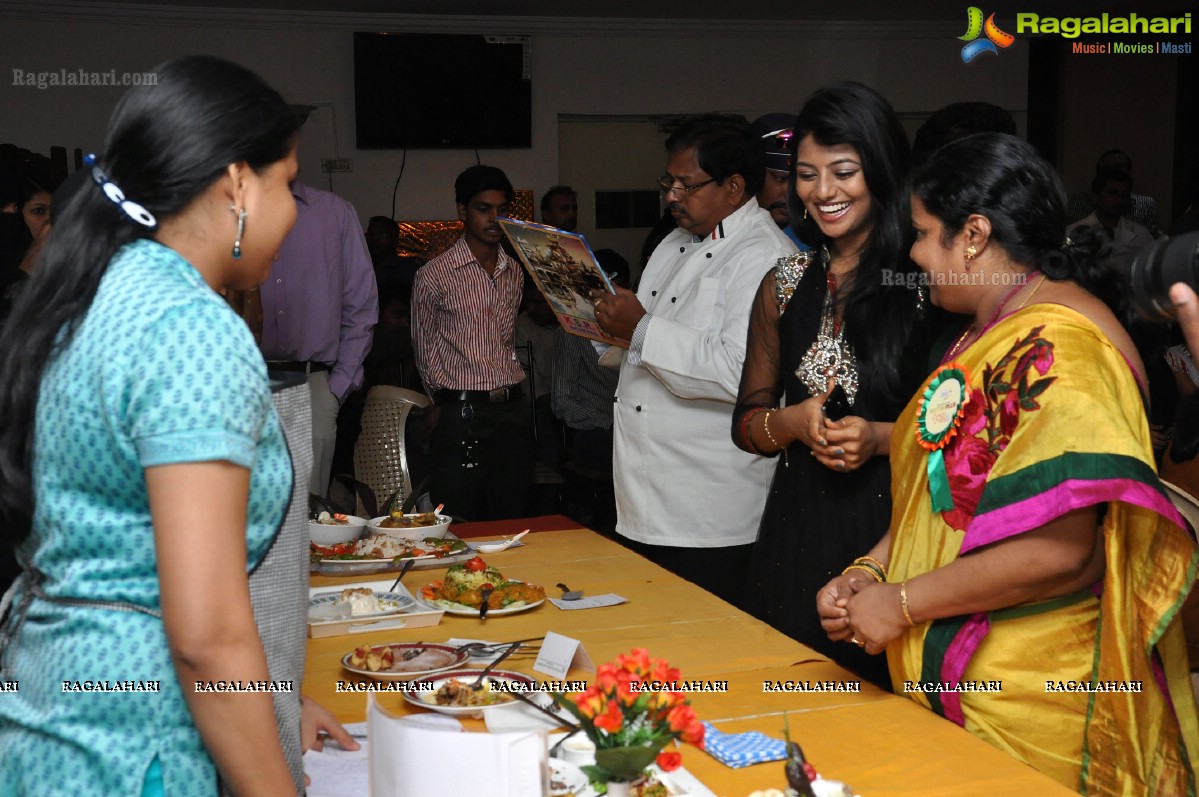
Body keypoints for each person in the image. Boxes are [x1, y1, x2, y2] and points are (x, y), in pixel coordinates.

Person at [0, 55, 354, 796]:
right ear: (236, 183)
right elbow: (206, 640)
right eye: (288, 184)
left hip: (52, 709)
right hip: (136, 744)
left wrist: (277, 704)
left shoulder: (90, 289)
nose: (296, 211)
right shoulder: (190, 327)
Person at [818, 132, 1199, 793]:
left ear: (972, 234)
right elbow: (947, 492)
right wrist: (872, 568)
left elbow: (1061, 552)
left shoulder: (1061, 345)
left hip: (1028, 704)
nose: (911, 253)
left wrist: (901, 602)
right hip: (962, 691)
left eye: (920, 233)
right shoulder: (990, 327)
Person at [731, 82, 927, 687]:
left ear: (882, 170)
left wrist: (879, 436)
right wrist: (789, 423)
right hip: (798, 522)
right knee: (796, 693)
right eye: (807, 175)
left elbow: (971, 431)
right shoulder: (784, 282)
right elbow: (747, 424)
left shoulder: (927, 283)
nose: (823, 192)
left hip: (898, 528)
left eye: (843, 171)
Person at [593, 113, 795, 605]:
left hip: (712, 508)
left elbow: (739, 374)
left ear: (734, 187)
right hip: (646, 491)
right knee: (653, 647)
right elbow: (648, 352)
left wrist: (638, 328)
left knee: (705, 647)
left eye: (687, 184)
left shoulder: (766, 256)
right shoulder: (671, 243)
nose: (672, 196)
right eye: (669, 182)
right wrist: (600, 326)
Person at [411, 164, 532, 520]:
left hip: (513, 406)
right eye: (484, 209)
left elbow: (505, 337)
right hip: (462, 409)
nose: (495, 218)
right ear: (462, 211)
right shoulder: (434, 275)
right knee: (460, 515)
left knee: (513, 513)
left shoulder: (514, 271)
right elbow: (424, 347)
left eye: (503, 209)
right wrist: (441, 403)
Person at [259, 179, 378, 499]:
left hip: (312, 385)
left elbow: (361, 308)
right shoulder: (218, 209)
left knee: (307, 519)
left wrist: (334, 390)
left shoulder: (334, 213)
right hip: (240, 383)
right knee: (241, 519)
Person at [1067, 169, 1154, 259]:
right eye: (1112, 193)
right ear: (1095, 197)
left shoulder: (1141, 234)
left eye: (1124, 194)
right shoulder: (1073, 232)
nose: (1119, 199)